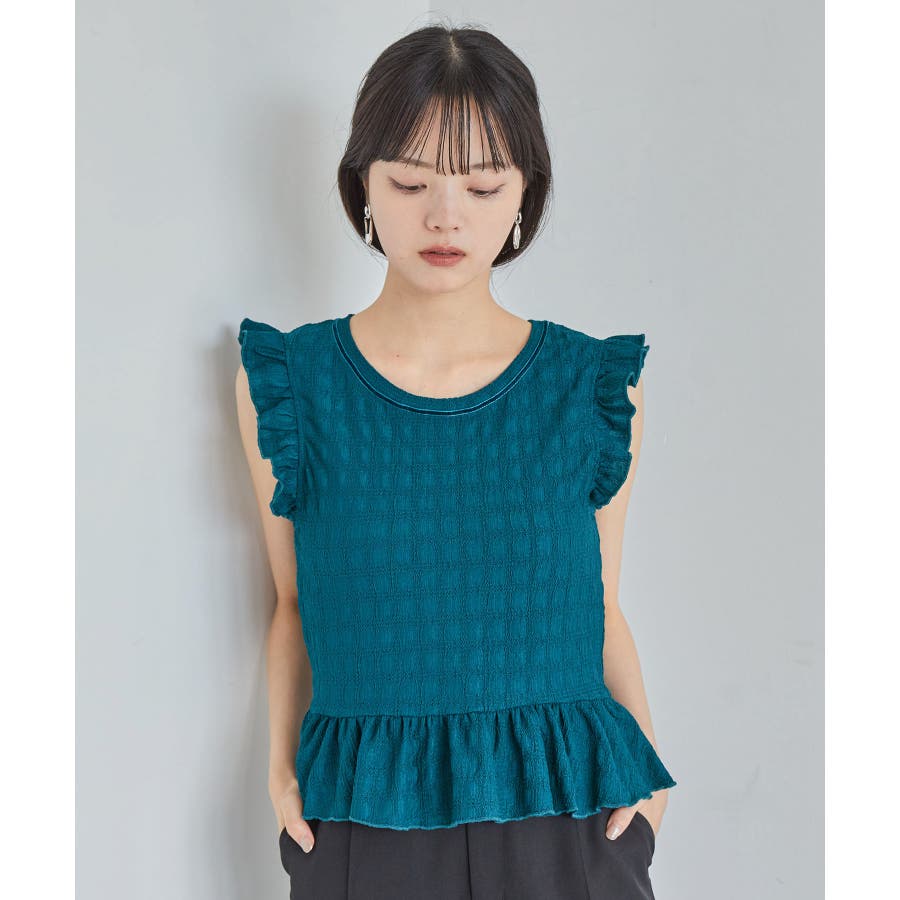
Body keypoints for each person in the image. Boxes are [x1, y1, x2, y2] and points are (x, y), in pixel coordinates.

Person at [235, 22, 676, 900]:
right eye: (410, 182)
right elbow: (292, 602)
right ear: (363, 184)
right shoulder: (291, 382)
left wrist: (651, 783)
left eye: (483, 186)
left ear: (524, 195)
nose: (445, 216)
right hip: (362, 822)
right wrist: (279, 775)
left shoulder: (591, 386)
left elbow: (602, 606)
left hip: (570, 823)